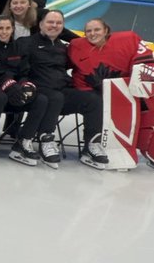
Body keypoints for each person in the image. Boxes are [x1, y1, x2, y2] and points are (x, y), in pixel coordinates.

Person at [66, 17, 154, 170]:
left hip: (128, 90)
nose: (92, 33)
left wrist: (149, 74)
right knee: (99, 104)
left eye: (96, 29)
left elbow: (147, 63)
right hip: (94, 93)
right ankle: (94, 148)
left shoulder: (128, 40)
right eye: (88, 31)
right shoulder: (76, 47)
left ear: (106, 31)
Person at [15, 9, 103, 169]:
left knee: (94, 99)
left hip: (60, 91)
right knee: (55, 96)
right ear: (41, 24)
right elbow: (18, 71)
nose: (54, 25)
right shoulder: (26, 42)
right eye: (50, 22)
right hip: (37, 92)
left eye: (58, 23)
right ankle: (46, 140)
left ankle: (91, 145)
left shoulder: (64, 48)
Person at [0, 15, 44, 161]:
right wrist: (5, 84)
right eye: (0, 28)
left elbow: (24, 72)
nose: (4, 32)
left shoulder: (19, 48)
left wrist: (25, 85)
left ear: (13, 29)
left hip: (17, 91)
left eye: (7, 28)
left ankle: (24, 140)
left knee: (41, 99)